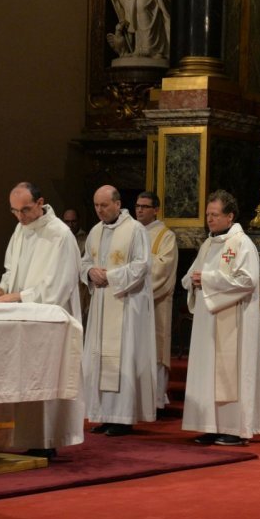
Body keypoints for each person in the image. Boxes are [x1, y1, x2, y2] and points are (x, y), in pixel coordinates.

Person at [0, 182, 84, 458]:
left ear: (41, 203)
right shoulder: (21, 229)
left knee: (45, 381)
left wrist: (16, 297)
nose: (20, 217)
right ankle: (27, 438)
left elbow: (56, 288)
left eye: (26, 210)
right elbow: (11, 269)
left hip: (50, 320)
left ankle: (46, 441)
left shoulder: (60, 235)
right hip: (25, 319)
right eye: (14, 211)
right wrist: (3, 287)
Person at [181, 191, 260, 446]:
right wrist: (193, 281)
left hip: (234, 320)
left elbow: (248, 281)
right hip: (207, 321)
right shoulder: (208, 245)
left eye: (215, 214)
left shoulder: (242, 244)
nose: (209, 219)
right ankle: (210, 425)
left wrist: (206, 280)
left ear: (230, 216)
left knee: (230, 372)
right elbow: (190, 276)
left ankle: (234, 428)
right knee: (208, 371)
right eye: (208, 214)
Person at [80, 185, 158, 436]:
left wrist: (110, 276)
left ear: (117, 204)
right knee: (99, 359)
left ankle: (122, 417)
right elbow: (84, 263)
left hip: (125, 304)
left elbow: (142, 265)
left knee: (122, 357)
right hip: (102, 304)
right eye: (96, 206)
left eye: (104, 205)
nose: (100, 210)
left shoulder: (134, 229)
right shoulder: (94, 231)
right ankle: (103, 414)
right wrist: (90, 273)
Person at [135, 191, 179, 409]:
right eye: (137, 206)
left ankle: (156, 400)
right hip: (132, 303)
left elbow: (163, 268)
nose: (140, 210)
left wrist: (137, 267)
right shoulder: (131, 233)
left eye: (144, 206)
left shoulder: (165, 236)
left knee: (156, 349)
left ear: (155, 210)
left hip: (155, 302)